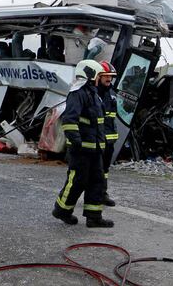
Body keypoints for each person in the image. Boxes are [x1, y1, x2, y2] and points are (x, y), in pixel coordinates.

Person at [52, 59, 114, 228]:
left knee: (97, 182)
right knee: (77, 181)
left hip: (95, 150)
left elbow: (98, 123)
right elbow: (69, 120)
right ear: (90, 75)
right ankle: (62, 210)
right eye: (98, 75)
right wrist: (76, 142)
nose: (100, 78)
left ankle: (94, 217)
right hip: (81, 150)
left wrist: (103, 144)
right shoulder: (77, 93)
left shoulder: (94, 94)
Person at [98, 61, 118, 207]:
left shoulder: (111, 93)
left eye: (111, 76)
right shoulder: (93, 92)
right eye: (106, 75)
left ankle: (102, 194)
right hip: (97, 139)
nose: (109, 78)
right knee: (94, 169)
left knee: (104, 169)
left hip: (109, 140)